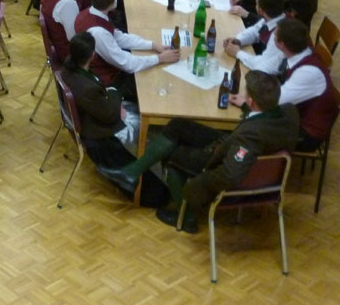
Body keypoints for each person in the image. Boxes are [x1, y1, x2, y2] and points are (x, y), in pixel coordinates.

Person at [97, 71, 299, 233]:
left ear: (253, 100)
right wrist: (248, 108)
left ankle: (187, 218)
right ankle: (132, 173)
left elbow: (230, 174)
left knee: (172, 155)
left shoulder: (250, 137)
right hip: (228, 144)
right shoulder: (289, 112)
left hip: (221, 160)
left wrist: (199, 184)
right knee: (177, 125)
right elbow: (261, 123)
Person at [60, 32, 164, 201]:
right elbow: (109, 115)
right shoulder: (87, 88)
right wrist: (115, 93)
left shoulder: (68, 68)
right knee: (143, 124)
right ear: (92, 55)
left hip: (97, 110)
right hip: (99, 129)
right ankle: (152, 169)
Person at [74, 0, 179, 100]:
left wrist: (153, 45)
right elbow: (126, 63)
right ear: (113, 1)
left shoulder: (89, 13)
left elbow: (120, 38)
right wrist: (160, 58)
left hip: (109, 69)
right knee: (156, 87)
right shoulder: (98, 32)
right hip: (108, 81)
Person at [260, 18, 340, 152]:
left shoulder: (308, 72)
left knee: (253, 130)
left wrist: (248, 100)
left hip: (306, 133)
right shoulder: (299, 53)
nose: (272, 36)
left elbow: (275, 102)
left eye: (274, 35)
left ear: (281, 44)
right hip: (294, 114)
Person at [223, 0, 287, 73]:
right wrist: (238, 40)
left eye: (256, 4)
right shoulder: (272, 18)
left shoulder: (278, 34)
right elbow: (254, 32)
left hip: (271, 75)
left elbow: (263, 65)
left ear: (260, 11)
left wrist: (238, 53)